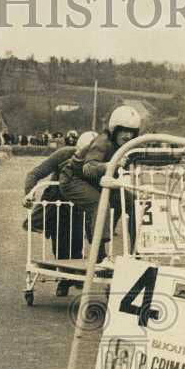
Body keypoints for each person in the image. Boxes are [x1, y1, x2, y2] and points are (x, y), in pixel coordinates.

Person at [58, 105, 141, 257]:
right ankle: (99, 255)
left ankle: (137, 251)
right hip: (73, 179)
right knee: (99, 203)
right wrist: (110, 165)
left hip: (96, 181)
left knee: (132, 201)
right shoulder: (103, 141)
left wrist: (173, 157)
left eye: (131, 132)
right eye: (124, 130)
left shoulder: (125, 146)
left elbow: (143, 156)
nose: (128, 135)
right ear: (114, 129)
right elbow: (88, 168)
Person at [23, 131, 96, 296]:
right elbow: (34, 173)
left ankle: (77, 274)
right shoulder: (63, 154)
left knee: (78, 239)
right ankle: (64, 280)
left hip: (81, 205)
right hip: (58, 204)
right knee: (61, 241)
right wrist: (29, 194)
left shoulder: (99, 160)